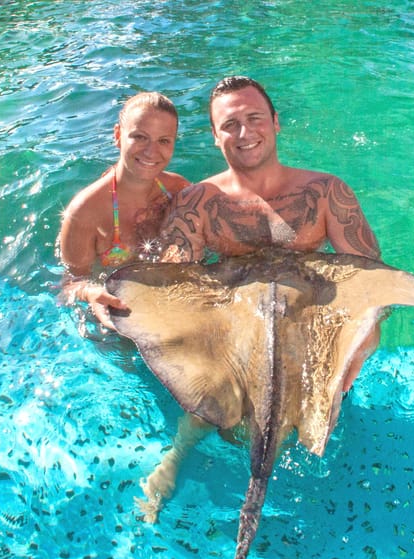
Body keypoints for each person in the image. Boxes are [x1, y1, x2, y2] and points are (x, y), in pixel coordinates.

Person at [140, 75, 382, 522]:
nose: (244, 132)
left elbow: (369, 279)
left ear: (275, 121)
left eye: (254, 118)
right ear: (215, 136)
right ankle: (178, 453)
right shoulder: (198, 202)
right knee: (212, 403)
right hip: (237, 318)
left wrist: (358, 346)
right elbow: (174, 287)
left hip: (309, 317)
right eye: (229, 125)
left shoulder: (327, 192)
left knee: (319, 407)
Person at [59, 91, 190, 329]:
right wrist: (90, 292)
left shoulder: (178, 189)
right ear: (118, 135)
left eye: (163, 141)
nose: (151, 152)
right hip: (115, 312)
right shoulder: (85, 212)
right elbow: (70, 283)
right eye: (140, 137)